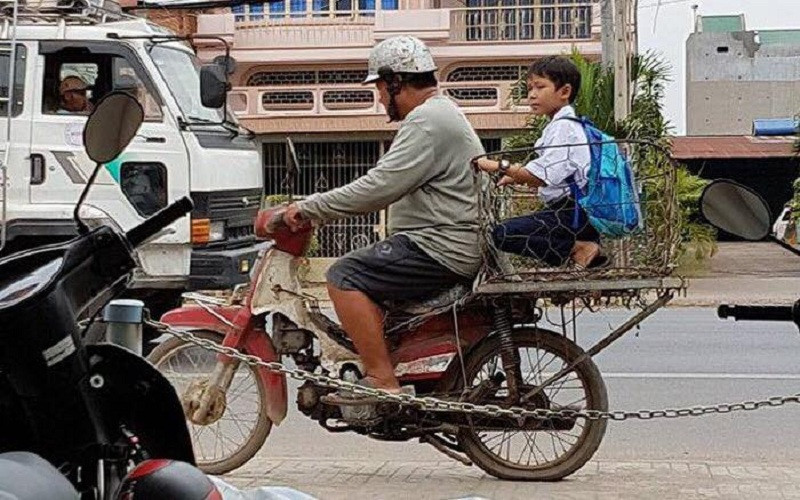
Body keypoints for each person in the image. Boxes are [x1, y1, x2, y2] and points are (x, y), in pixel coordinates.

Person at [282, 35, 485, 401]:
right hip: (442, 241)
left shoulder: (426, 122)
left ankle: (382, 380)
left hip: (439, 246)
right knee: (372, 265)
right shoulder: (440, 113)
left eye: (378, 87)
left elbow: (378, 187)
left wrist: (308, 208)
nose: (378, 98)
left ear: (395, 82)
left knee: (343, 276)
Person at [476, 56, 606, 270]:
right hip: (573, 213)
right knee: (515, 229)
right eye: (530, 89)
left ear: (564, 92)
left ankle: (580, 249)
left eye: (540, 87)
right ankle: (579, 250)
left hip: (571, 214)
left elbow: (541, 176)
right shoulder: (566, 126)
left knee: (503, 234)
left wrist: (498, 165)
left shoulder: (564, 128)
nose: (532, 95)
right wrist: (514, 176)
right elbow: (551, 174)